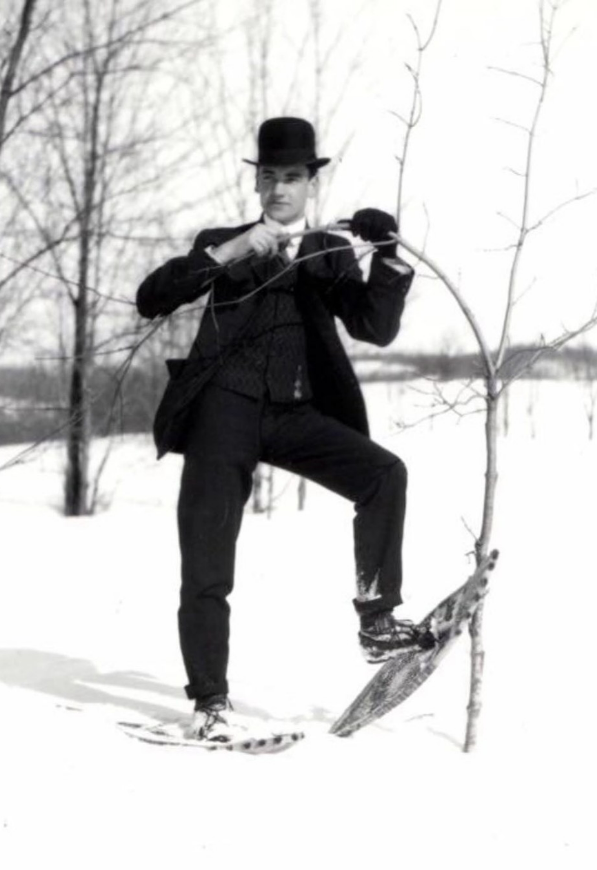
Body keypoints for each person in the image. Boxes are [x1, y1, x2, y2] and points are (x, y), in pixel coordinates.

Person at [136, 117, 433, 742]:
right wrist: (231, 252)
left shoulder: (327, 250)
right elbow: (151, 297)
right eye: (269, 176)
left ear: (310, 184)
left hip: (294, 414)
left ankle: (378, 621)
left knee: (384, 475)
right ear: (256, 182)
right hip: (222, 412)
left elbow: (375, 328)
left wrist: (386, 253)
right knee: (207, 563)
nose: (278, 189)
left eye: (291, 178)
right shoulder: (223, 242)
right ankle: (210, 703)